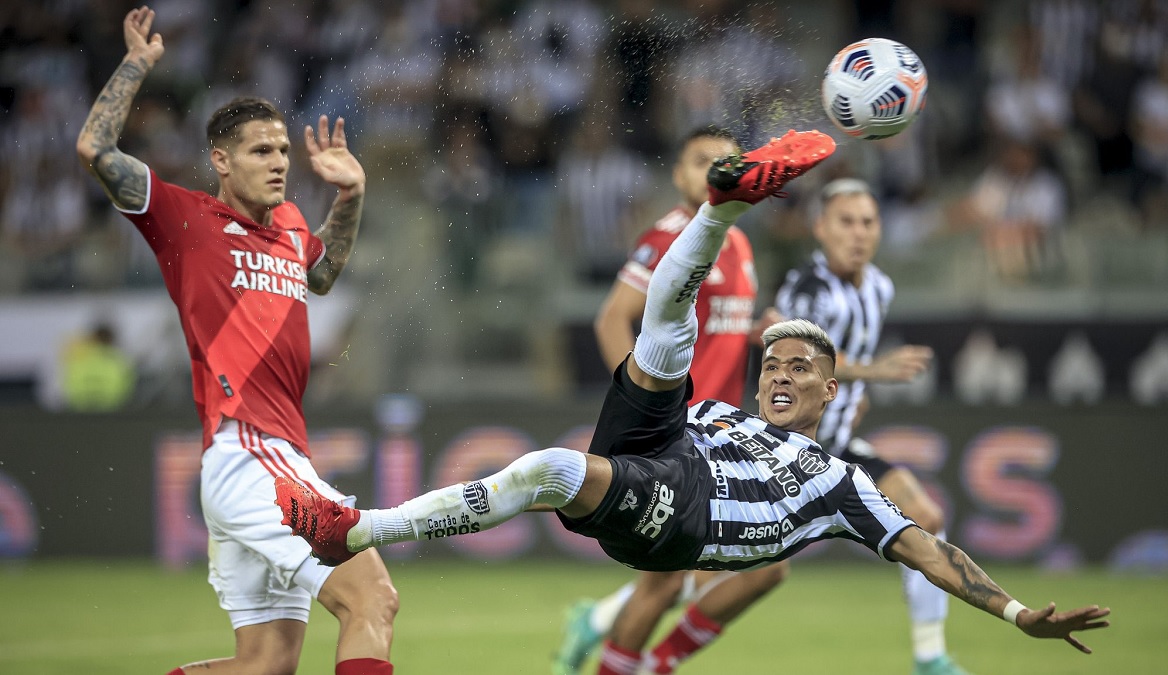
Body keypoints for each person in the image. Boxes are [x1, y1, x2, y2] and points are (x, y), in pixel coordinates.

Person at [275, 130, 1110, 668]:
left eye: (798, 368)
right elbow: (655, 341)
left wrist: (1014, 611)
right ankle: (721, 206)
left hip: (692, 516)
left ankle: (357, 527)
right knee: (666, 333)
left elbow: (929, 547)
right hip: (674, 447)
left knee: (551, 469)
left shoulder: (839, 483)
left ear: (829, 387)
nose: (778, 372)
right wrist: (647, 373)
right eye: (772, 362)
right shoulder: (729, 412)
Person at [75, 8, 397, 675]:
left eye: (283, 150)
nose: (280, 163)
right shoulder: (184, 219)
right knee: (372, 598)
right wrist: (136, 64)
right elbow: (95, 152)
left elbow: (325, 274)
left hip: (273, 457)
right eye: (261, 151)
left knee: (267, 666)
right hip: (249, 454)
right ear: (220, 160)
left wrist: (351, 196)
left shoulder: (288, 224)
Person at [563, 126, 788, 675]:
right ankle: (629, 657)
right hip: (680, 431)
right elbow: (612, 317)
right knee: (678, 575)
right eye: (701, 161)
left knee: (761, 562)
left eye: (725, 161)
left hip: (720, 427)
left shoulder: (736, 238)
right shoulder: (669, 236)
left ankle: (616, 637)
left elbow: (715, 327)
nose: (714, 169)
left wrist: (758, 331)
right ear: (678, 174)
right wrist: (644, 407)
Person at [775, 178, 969, 675]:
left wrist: (854, 395)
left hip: (838, 446)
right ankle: (606, 618)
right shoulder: (809, 289)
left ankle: (930, 659)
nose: (858, 233)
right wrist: (872, 371)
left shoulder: (879, 287)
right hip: (783, 451)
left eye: (868, 222)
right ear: (820, 228)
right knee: (721, 566)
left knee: (925, 516)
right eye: (846, 221)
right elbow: (798, 361)